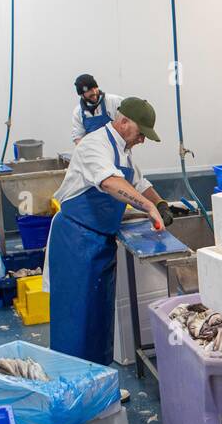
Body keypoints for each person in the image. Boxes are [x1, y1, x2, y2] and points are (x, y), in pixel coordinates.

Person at [46, 98, 175, 365]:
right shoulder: (94, 145)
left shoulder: (123, 150)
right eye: (141, 133)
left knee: (98, 320)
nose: (142, 140)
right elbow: (109, 182)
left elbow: (138, 182)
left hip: (100, 243)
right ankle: (73, 382)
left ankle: (99, 380)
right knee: (76, 321)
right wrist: (147, 206)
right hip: (76, 242)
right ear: (123, 121)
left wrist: (160, 203)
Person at [71, 74, 122, 144]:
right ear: (81, 95)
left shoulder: (115, 102)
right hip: (92, 149)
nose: (94, 95)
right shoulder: (78, 112)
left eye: (95, 89)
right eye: (91, 96)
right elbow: (78, 138)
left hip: (116, 147)